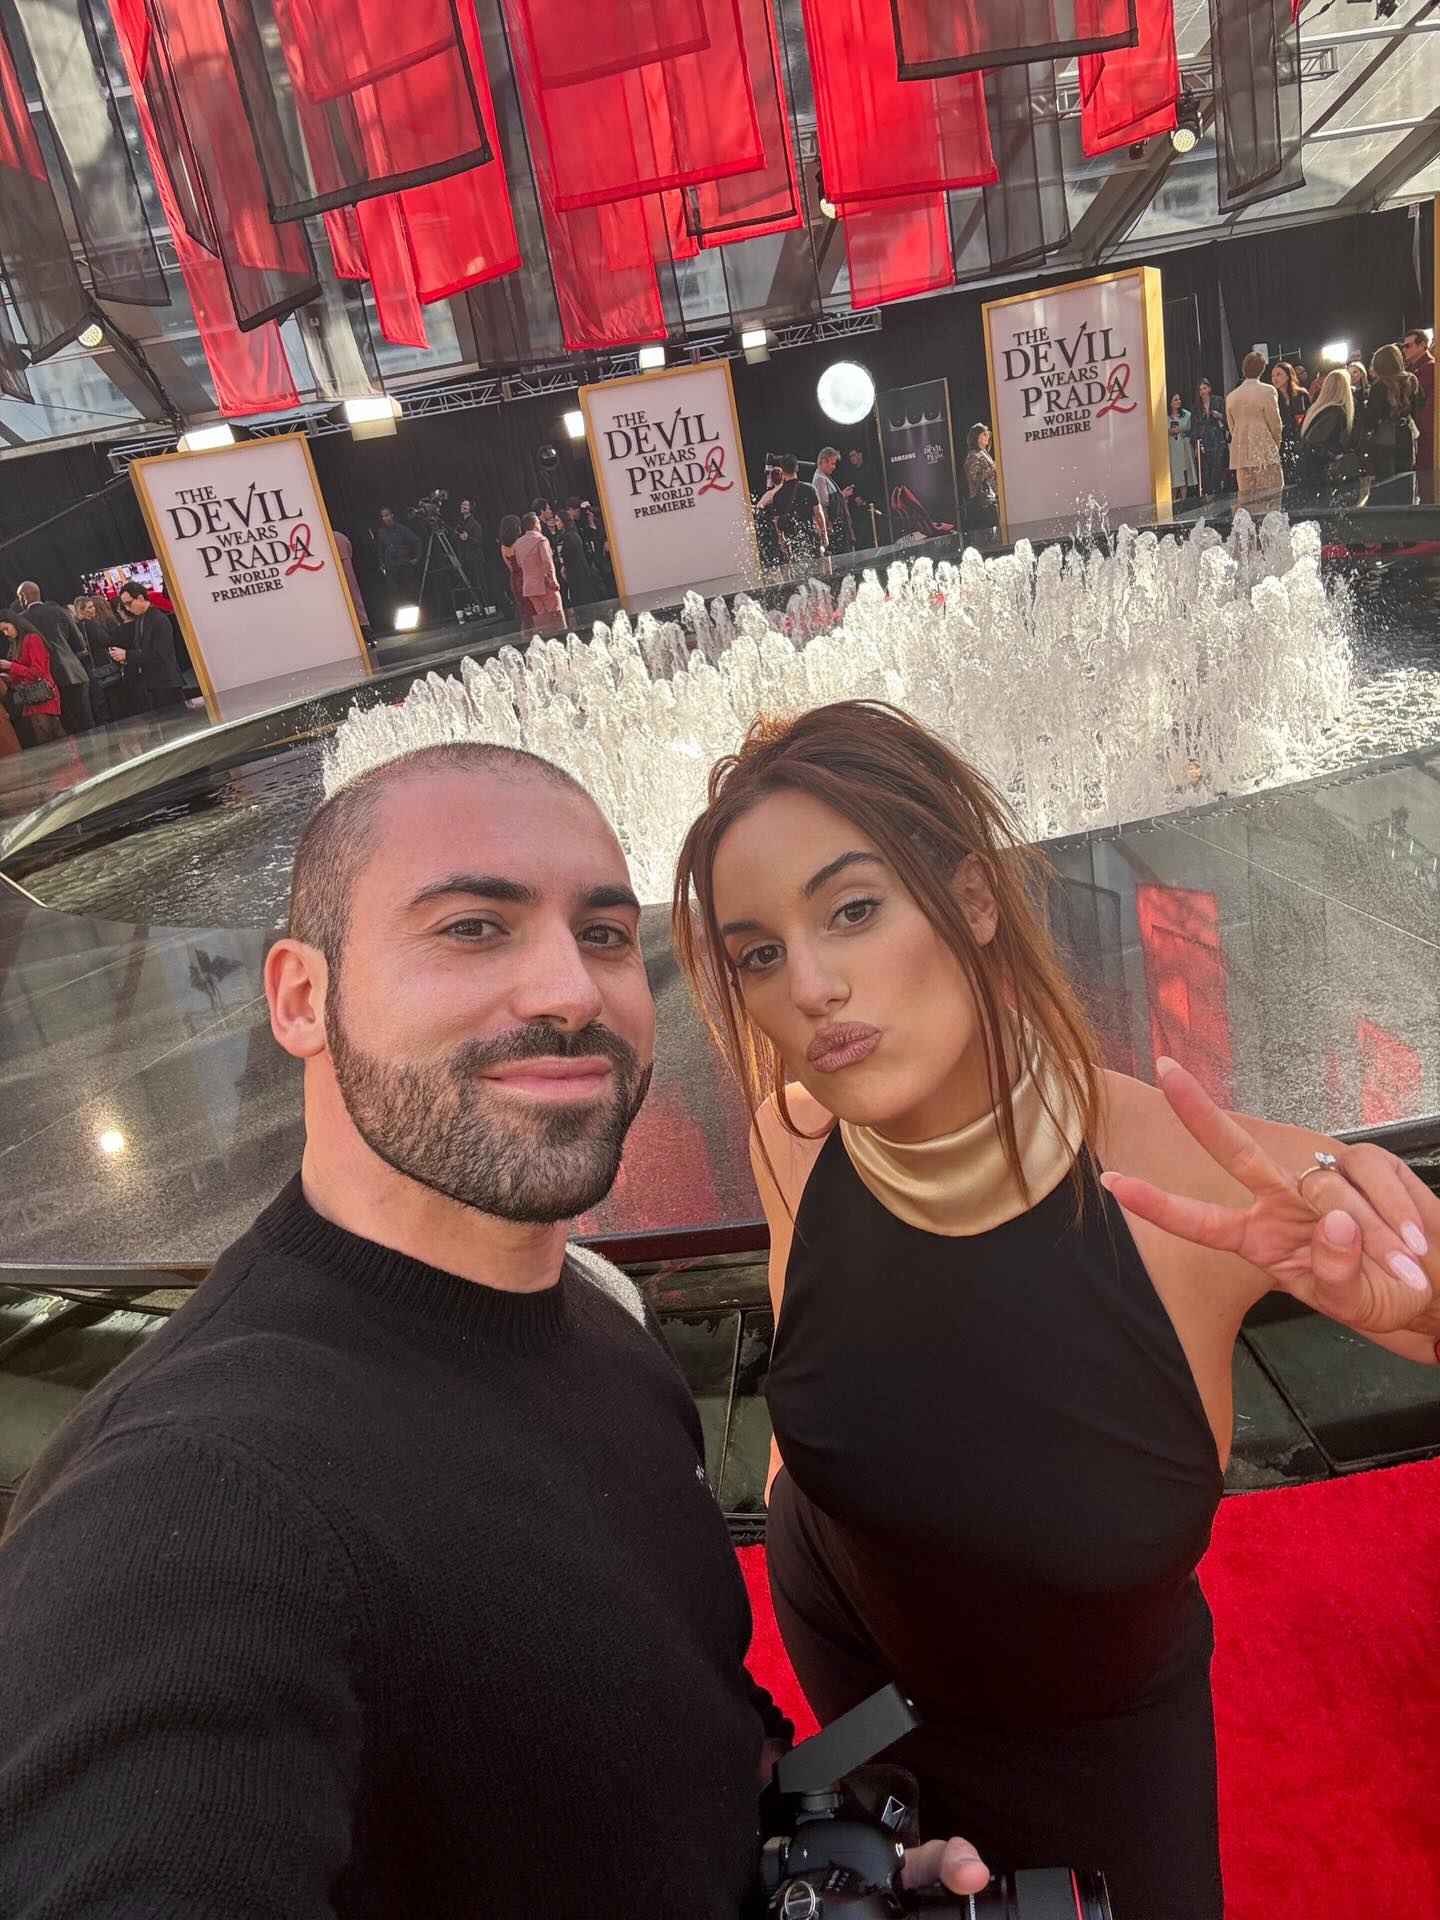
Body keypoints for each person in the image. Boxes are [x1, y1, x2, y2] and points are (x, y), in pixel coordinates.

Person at [0, 738, 990, 1917]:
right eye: (473, 927)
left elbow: (675, 1709)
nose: (571, 991)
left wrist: (801, 1842)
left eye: (605, 933)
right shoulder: (195, 1496)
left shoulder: (599, 1317)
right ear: (302, 997)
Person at [671, 700, 1440, 1920]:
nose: (810, 986)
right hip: (860, 1689)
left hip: (1099, 1759)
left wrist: (1412, 1292)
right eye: (759, 953)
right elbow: (808, 1393)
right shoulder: (793, 1142)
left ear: (973, 900)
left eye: (853, 909)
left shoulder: (1189, 1179)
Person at [16, 580, 93, 735]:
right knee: (88, 722)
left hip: (49, 682)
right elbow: (80, 644)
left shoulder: (22, 621)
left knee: (68, 729)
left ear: (24, 597)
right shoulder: (60, 611)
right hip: (75, 673)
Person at [112, 578, 185, 712]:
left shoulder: (158, 619)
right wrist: (127, 657)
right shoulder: (141, 618)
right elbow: (143, 648)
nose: (127, 608)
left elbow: (159, 654)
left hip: (166, 682)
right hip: (152, 682)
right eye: (124, 605)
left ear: (140, 598)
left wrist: (128, 655)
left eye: (129, 603)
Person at [1226, 352, 1284, 503]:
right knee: (1272, 501)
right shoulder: (1268, 391)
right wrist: (1275, 446)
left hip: (1241, 455)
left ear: (1243, 369)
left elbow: (1232, 428)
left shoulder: (1231, 397)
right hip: (1265, 452)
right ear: (1262, 369)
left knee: (1247, 504)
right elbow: (1275, 424)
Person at [0, 608, 63, 746]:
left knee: (48, 737)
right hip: (32, 698)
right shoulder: (16, 644)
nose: (5, 633)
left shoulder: (32, 639)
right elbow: (20, 674)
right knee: (49, 736)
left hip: (43, 695)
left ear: (14, 623)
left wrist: (11, 666)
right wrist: (6, 676)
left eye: (6, 628)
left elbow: (37, 672)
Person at [1363, 343, 1421, 483]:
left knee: (1386, 482)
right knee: (1406, 479)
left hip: (1384, 437)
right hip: (1406, 434)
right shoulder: (1412, 380)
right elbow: (1419, 405)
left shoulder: (1378, 387)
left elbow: (1370, 419)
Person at [71, 594, 127, 724]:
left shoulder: (77, 626)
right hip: (103, 664)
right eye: (90, 607)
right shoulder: (90, 625)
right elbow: (106, 640)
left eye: (93, 606)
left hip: (91, 667)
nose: (93, 609)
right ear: (82, 610)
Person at [1296, 368, 1357, 486]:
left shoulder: (1315, 409)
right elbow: (1314, 443)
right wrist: (1334, 456)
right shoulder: (1335, 411)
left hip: (1309, 470)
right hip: (1322, 472)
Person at [769, 455, 826, 570]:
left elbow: (777, 520)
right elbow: (818, 513)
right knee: (816, 572)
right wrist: (824, 534)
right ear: (797, 467)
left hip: (791, 540)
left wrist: (781, 539)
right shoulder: (809, 489)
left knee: (797, 572)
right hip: (810, 537)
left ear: (782, 471)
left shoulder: (777, 496)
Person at [512, 510, 565, 635]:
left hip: (529, 586)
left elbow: (519, 563)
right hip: (544, 583)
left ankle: (547, 641)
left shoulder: (518, 543)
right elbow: (547, 562)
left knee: (542, 618)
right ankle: (561, 640)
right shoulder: (541, 540)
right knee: (556, 616)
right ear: (535, 524)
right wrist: (553, 580)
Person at [375, 506, 421, 617]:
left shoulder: (402, 529)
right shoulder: (381, 532)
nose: (385, 518)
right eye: (383, 516)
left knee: (408, 591)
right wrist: (381, 563)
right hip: (391, 567)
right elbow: (380, 549)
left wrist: (417, 558)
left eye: (387, 515)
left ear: (392, 515)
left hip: (404, 565)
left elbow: (416, 541)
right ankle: (397, 617)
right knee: (394, 594)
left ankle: (414, 616)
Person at [1400, 327, 1434, 474]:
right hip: (1419, 429)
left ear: (1422, 345)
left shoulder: (1430, 367)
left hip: (1426, 430)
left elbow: (1409, 396)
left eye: (1408, 346)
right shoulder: (1415, 369)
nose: (1404, 350)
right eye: (1403, 346)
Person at [1189, 380, 1229, 498]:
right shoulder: (1196, 407)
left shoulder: (1218, 401)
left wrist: (1219, 415)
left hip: (1218, 441)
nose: (1203, 391)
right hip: (1204, 443)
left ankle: (1220, 496)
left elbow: (1228, 418)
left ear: (1209, 389)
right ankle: (1207, 497)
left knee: (1219, 470)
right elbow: (1194, 427)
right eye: (1200, 389)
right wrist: (1196, 445)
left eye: (1204, 388)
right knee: (1206, 473)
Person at [331, 529, 373, 642]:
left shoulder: (327, 539)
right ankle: (366, 630)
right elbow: (350, 549)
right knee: (355, 596)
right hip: (347, 565)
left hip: (336, 569)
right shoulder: (340, 537)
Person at [557, 497, 600, 610]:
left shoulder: (571, 533)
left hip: (582, 567)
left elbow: (591, 537)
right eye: (577, 511)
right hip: (579, 570)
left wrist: (591, 523)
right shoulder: (570, 533)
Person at [1268, 362, 1308, 479]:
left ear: (1288, 375)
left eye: (1278, 374)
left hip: (1301, 437)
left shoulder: (1301, 394)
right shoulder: (1271, 398)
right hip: (1282, 440)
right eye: (1272, 376)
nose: (1275, 378)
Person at [961, 424, 999, 540]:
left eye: (988, 434)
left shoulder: (984, 453)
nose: (988, 436)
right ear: (976, 437)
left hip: (991, 500)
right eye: (984, 434)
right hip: (982, 503)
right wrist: (993, 467)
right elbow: (974, 477)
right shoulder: (973, 456)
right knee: (986, 537)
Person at [812, 447, 851, 554]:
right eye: (832, 463)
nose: (834, 467)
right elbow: (823, 504)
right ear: (824, 461)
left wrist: (841, 496)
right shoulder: (820, 478)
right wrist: (842, 495)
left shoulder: (824, 476)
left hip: (835, 525)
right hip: (832, 526)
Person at [843, 445, 883, 548]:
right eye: (850, 457)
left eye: (853, 455)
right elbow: (849, 488)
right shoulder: (850, 472)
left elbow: (875, 488)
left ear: (860, 455)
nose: (852, 458)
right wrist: (855, 498)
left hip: (872, 507)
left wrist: (866, 501)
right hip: (858, 512)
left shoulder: (870, 468)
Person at [497, 512, 530, 630]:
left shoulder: (503, 546)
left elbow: (510, 566)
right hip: (525, 577)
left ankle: (525, 631)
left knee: (521, 607)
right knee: (530, 607)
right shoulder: (520, 543)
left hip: (514, 579)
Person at [1167, 394, 1196, 499]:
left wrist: (1182, 430)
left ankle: (1184, 500)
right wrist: (1169, 431)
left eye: (1179, 399)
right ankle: (1173, 501)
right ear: (1170, 402)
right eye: (1175, 400)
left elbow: (1192, 430)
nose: (1178, 401)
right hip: (1171, 450)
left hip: (1184, 449)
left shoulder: (1187, 415)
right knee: (1174, 477)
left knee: (1184, 476)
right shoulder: (1164, 417)